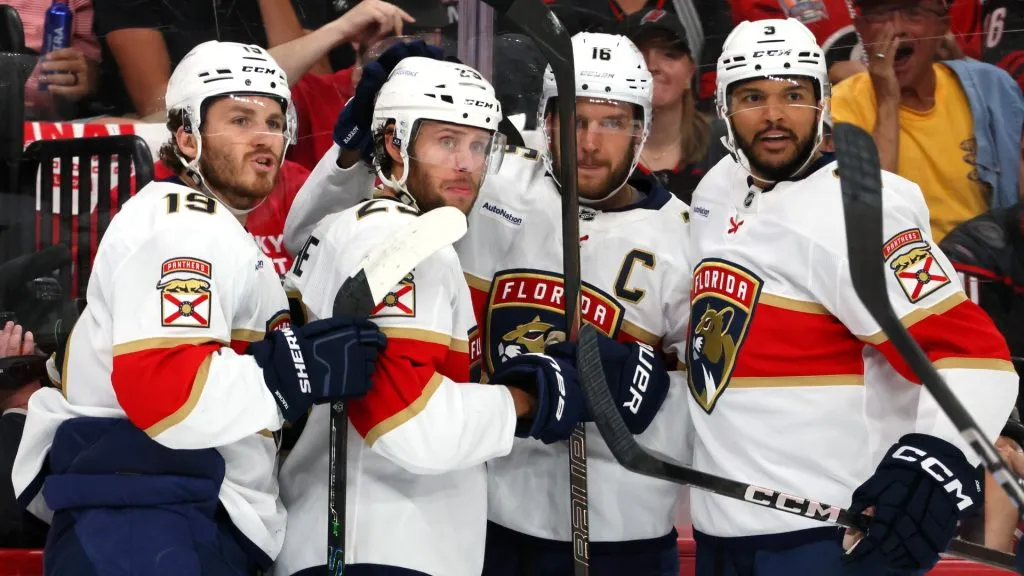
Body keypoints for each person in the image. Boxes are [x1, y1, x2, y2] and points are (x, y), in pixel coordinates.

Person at [283, 32, 694, 576]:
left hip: (618, 529)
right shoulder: (485, 177)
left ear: (642, 127)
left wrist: (652, 393)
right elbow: (313, 238)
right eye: (572, 119)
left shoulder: (687, 237)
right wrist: (357, 146)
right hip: (486, 511)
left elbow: (707, 398)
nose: (589, 142)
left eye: (612, 122)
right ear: (546, 120)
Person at [10, 41, 387, 576]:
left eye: (275, 122)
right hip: (146, 524)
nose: (264, 138)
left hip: (166, 510)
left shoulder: (209, 225)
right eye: (239, 118)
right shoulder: (183, 227)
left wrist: (348, 159)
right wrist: (290, 374)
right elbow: (165, 392)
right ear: (186, 134)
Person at [687, 17, 1017, 575]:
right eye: (752, 96)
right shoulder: (715, 189)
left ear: (822, 104)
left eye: (794, 94)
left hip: (825, 533)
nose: (774, 114)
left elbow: (976, 358)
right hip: (719, 524)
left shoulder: (860, 213)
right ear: (723, 107)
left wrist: (933, 461)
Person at [275, 51, 585, 576]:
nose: (466, 163)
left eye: (478, 145)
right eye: (446, 142)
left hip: (335, 531)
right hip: (385, 540)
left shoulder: (346, 226)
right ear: (395, 142)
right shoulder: (411, 241)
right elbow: (405, 421)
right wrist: (528, 399)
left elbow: (297, 231)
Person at [830, 0, 1024, 242]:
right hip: (902, 269)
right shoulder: (838, 106)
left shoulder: (991, 88)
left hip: (989, 269)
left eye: (914, 13)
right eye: (880, 14)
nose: (897, 28)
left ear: (942, 26)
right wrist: (887, 99)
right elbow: (866, 215)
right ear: (860, 27)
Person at [622, 7, 710, 203]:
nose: (653, 65)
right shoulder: (597, 145)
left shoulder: (724, 144)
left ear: (690, 73)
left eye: (669, 54)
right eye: (638, 55)